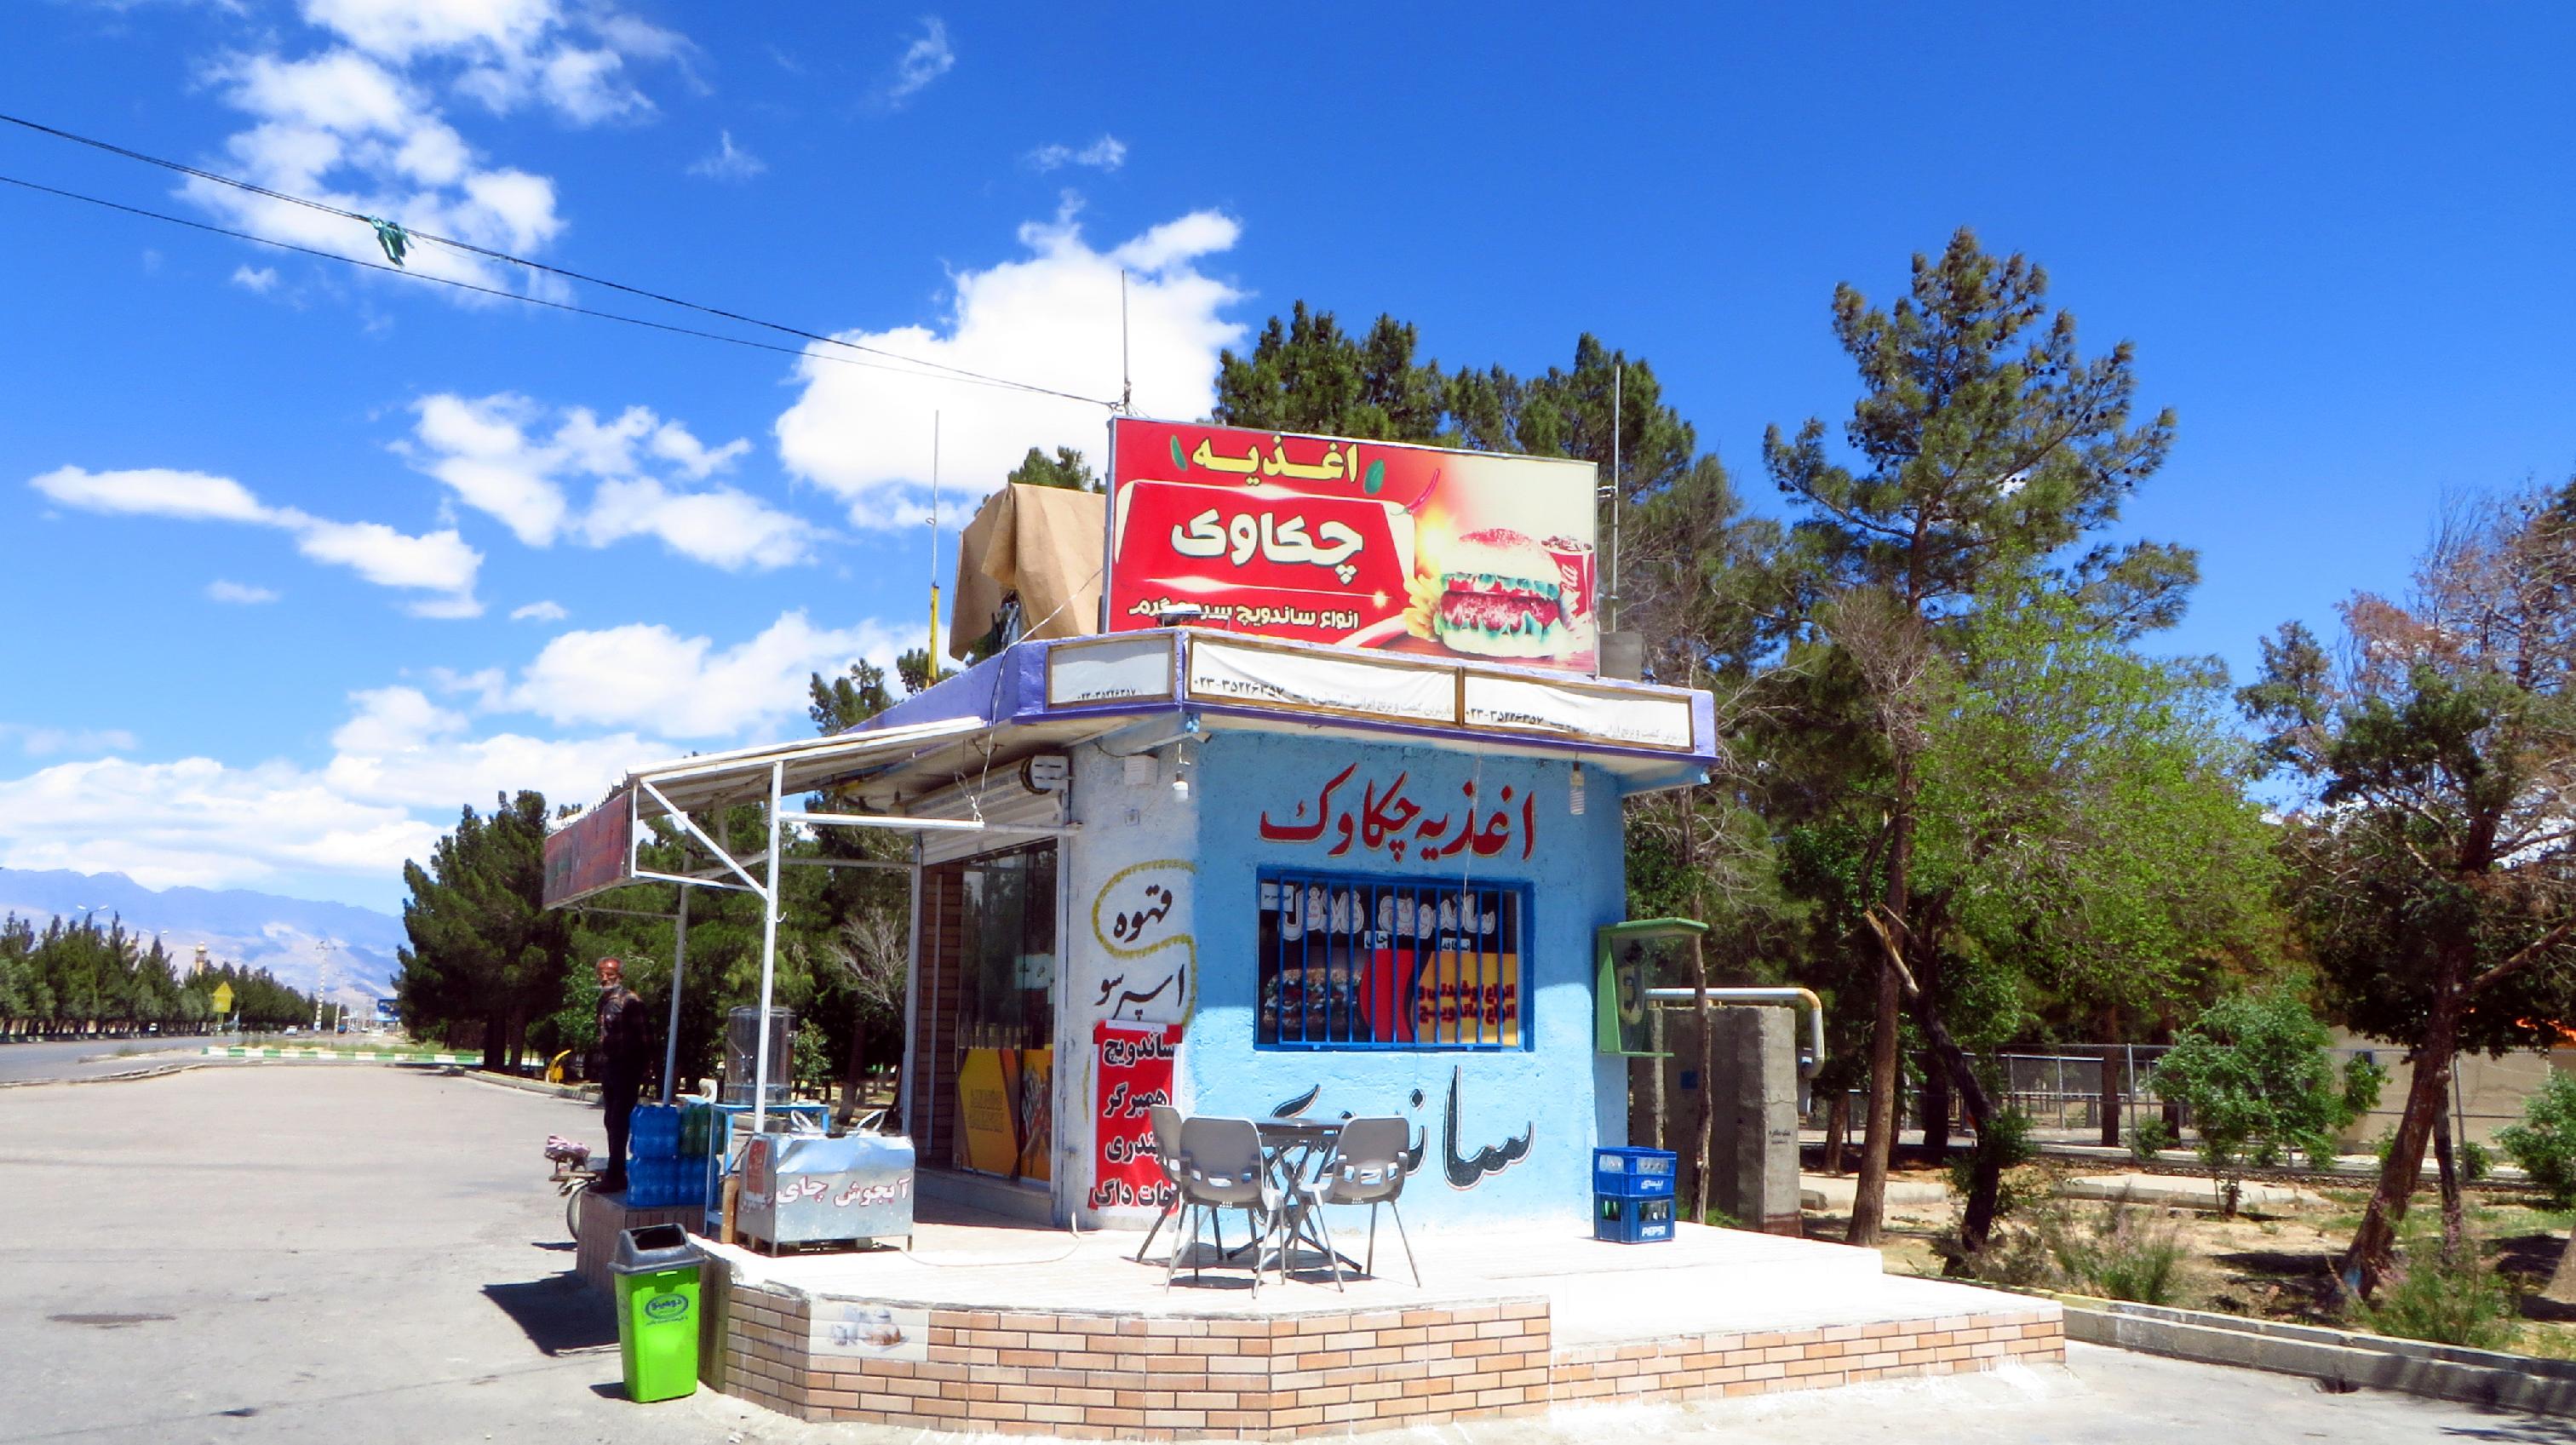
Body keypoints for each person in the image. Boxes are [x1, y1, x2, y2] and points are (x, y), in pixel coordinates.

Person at [592, 956, 656, 1194]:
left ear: (620, 976)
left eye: (610, 974)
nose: (605, 978)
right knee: (611, 1120)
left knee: (619, 1120)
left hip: (627, 1066)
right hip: (610, 1066)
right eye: (601, 974)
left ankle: (616, 1175)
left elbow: (646, 1036)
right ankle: (615, 1170)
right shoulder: (604, 1001)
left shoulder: (630, 1001)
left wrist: (647, 1067)